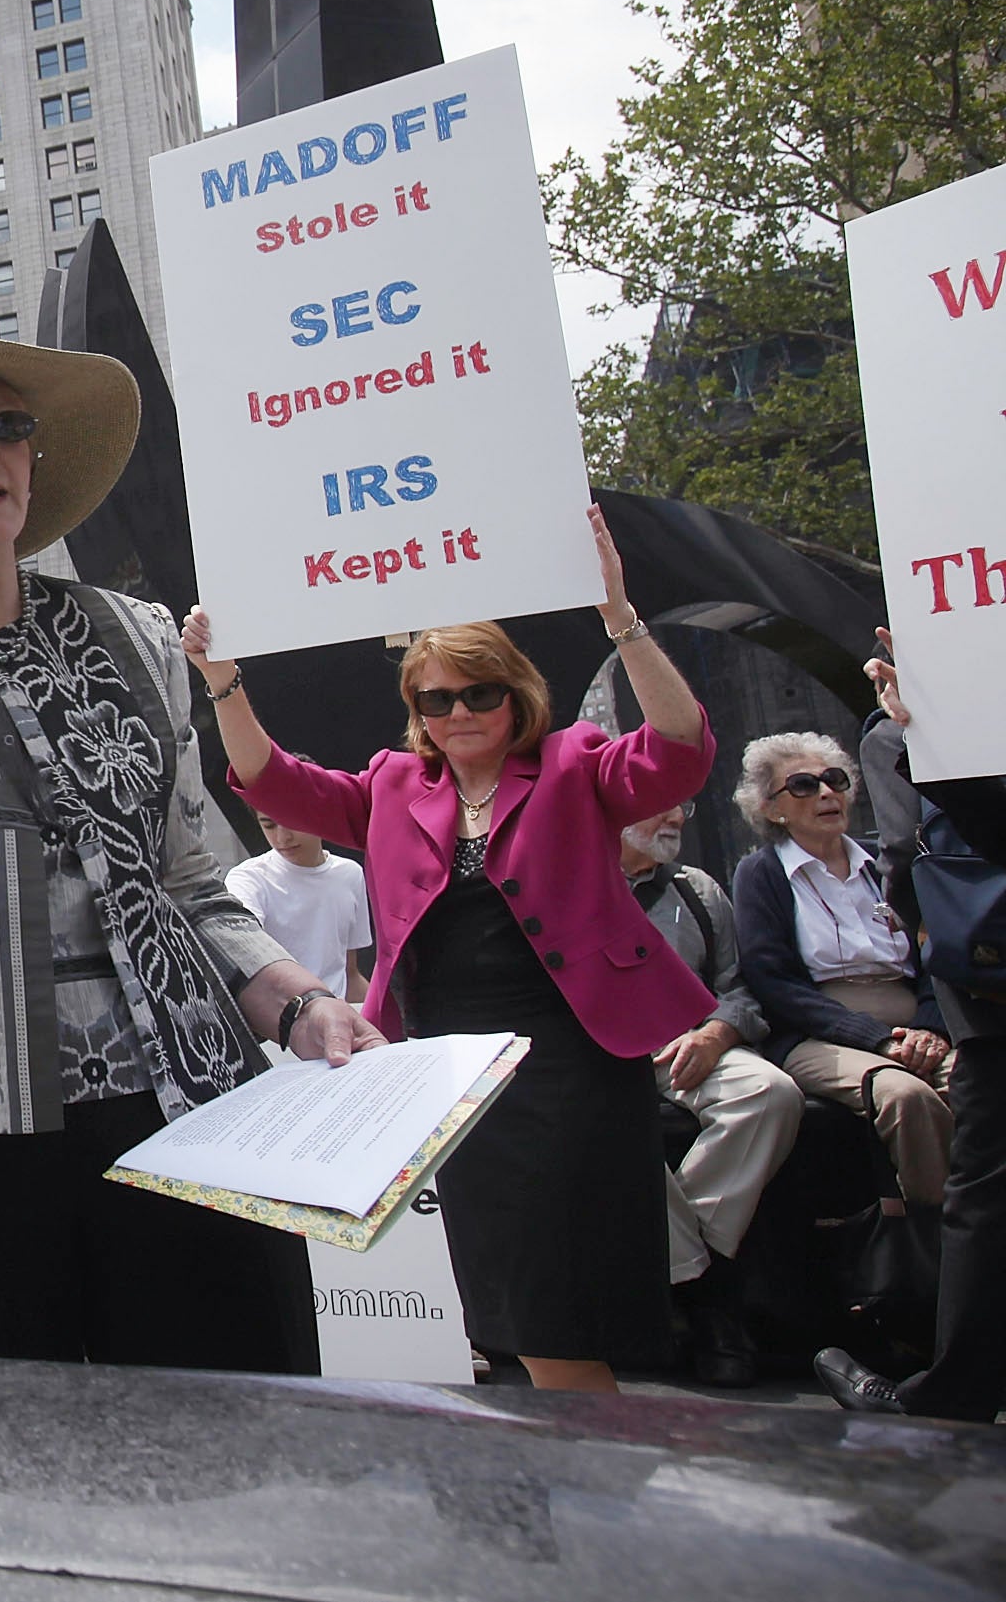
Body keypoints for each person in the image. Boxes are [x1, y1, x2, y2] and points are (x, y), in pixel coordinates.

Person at [0, 335, 375, 1371]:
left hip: (177, 1112)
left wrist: (301, 999)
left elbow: (188, 881)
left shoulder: (136, 634)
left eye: (10, 428)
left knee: (224, 1441)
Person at [191, 506, 719, 1393]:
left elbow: (678, 751)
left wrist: (619, 618)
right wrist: (223, 681)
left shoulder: (573, 760)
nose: (459, 711)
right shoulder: (394, 783)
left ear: (517, 695)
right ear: (417, 712)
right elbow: (273, 780)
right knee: (506, 1298)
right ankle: (579, 1475)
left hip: (573, 1068)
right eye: (436, 698)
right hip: (453, 1079)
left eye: (479, 692)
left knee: (558, 1302)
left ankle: (595, 1477)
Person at [816, 629, 1006, 1418]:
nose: (823, 795)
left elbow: (908, 864)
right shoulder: (900, 731)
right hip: (970, 992)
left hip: (982, 978)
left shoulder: (905, 735)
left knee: (987, 1184)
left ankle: (953, 1393)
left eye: (830, 782)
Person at [731, 729, 955, 1213]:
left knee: (974, 1080)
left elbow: (935, 955)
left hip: (916, 1029)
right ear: (773, 809)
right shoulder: (762, 874)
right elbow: (774, 984)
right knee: (904, 1096)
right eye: (804, 786)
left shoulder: (888, 864)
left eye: (834, 780)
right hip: (820, 1039)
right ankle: (941, 1236)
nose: (827, 793)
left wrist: (934, 1030)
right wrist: (878, 1040)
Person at [620, 802, 800, 1388]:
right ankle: (712, 1301)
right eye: (659, 802)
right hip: (604, 1056)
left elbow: (738, 987)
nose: (674, 815)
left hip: (695, 1049)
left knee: (772, 1093)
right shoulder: (566, 882)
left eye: (683, 804)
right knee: (612, 1130)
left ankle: (690, 1270)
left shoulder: (698, 889)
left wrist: (716, 1032)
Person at [224, 783, 374, 1000]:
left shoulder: (350, 874)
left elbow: (349, 975)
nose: (282, 838)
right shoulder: (248, 879)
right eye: (269, 825)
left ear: (320, 812)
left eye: (292, 822)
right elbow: (243, 951)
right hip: (283, 1023)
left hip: (341, 1018)